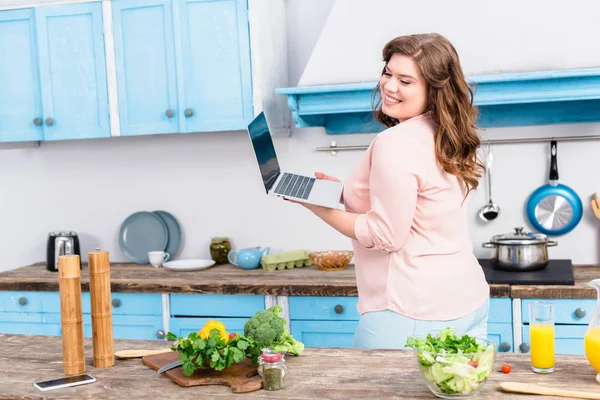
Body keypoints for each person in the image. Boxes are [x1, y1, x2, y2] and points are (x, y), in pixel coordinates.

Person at [288, 33, 490, 349]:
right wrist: (342, 193)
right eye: (388, 73)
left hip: (411, 311)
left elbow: (385, 235)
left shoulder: (395, 144)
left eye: (405, 81)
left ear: (434, 90)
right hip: (469, 299)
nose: (390, 86)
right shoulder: (447, 132)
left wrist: (316, 205)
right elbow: (421, 203)